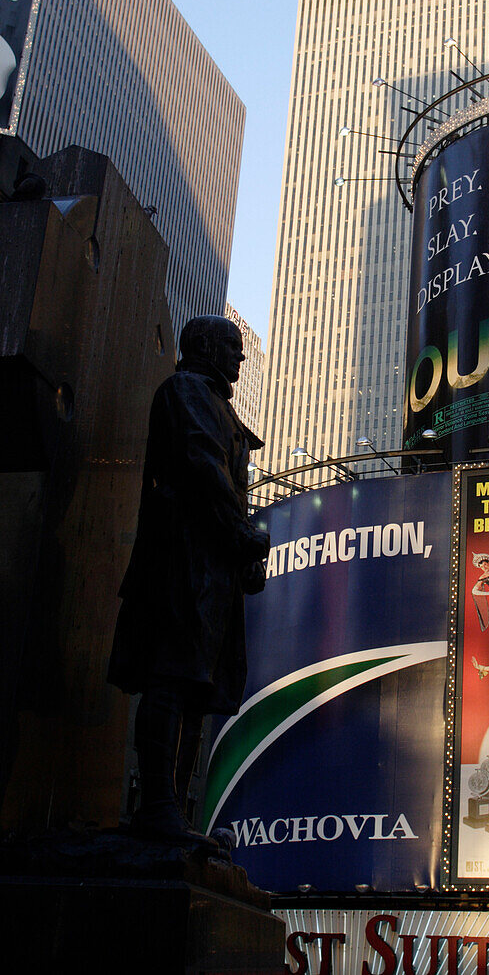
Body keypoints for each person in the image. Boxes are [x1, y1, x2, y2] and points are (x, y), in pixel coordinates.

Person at [108, 315, 270, 845]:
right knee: (172, 678)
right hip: (180, 561)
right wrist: (242, 533)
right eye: (232, 347)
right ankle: (157, 807)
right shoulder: (186, 390)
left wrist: (240, 550)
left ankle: (175, 813)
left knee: (197, 689)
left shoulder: (217, 403)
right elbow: (204, 467)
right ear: (203, 346)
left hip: (209, 567)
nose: (241, 359)